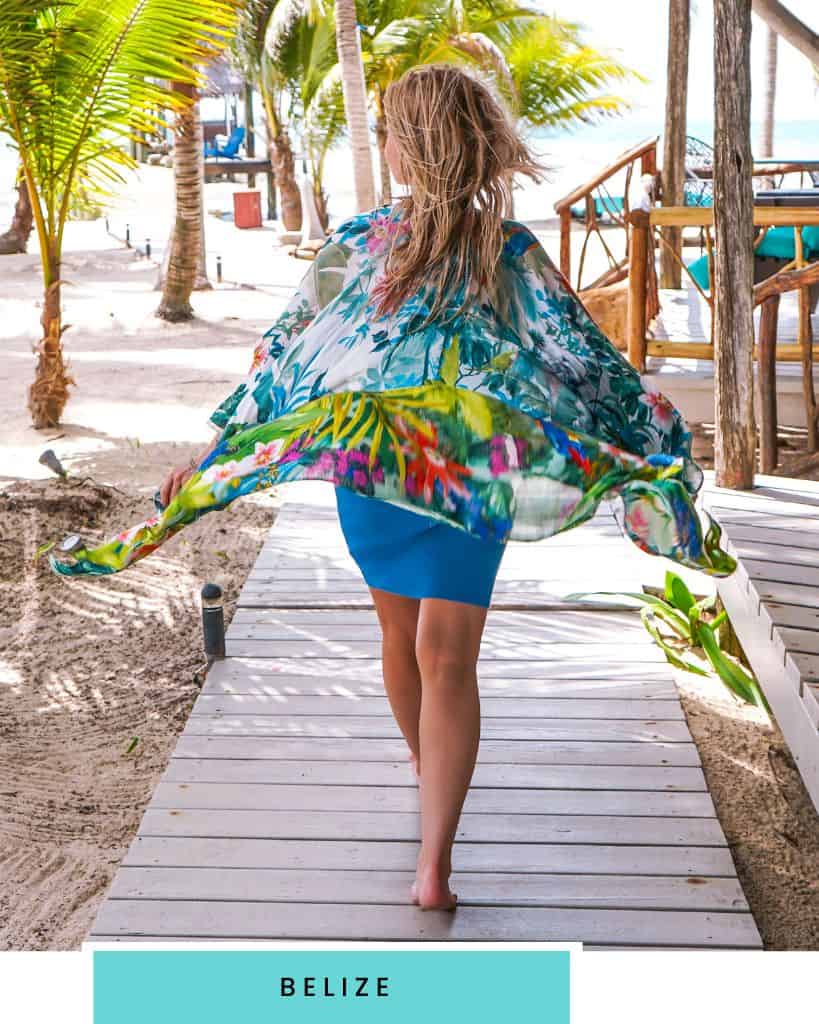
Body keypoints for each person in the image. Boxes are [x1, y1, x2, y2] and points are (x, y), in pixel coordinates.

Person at [51, 65, 734, 910]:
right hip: (472, 471)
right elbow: (582, 361)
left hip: (373, 465)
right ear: (476, 143)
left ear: (413, 147)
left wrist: (220, 450)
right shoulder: (507, 248)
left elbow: (289, 360)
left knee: (397, 636)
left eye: (391, 132)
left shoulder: (363, 239)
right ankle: (432, 865)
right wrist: (648, 443)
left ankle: (423, 765)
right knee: (449, 659)